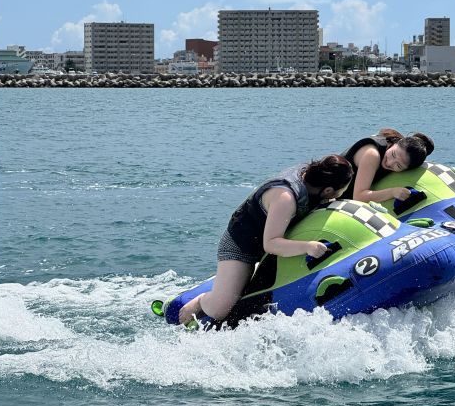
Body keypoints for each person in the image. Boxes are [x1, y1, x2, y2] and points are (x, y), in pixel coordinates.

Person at [178, 155, 353, 326]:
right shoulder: (285, 197)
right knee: (220, 309)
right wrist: (308, 247)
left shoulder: (314, 175)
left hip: (266, 244)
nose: (336, 197)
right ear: (328, 190)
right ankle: (201, 301)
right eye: (338, 193)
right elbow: (271, 243)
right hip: (241, 247)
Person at [340, 128, 434, 203]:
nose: (389, 163)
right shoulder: (372, 155)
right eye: (393, 154)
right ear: (396, 143)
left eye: (398, 166)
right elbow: (359, 197)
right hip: (329, 194)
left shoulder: (400, 154)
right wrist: (393, 192)